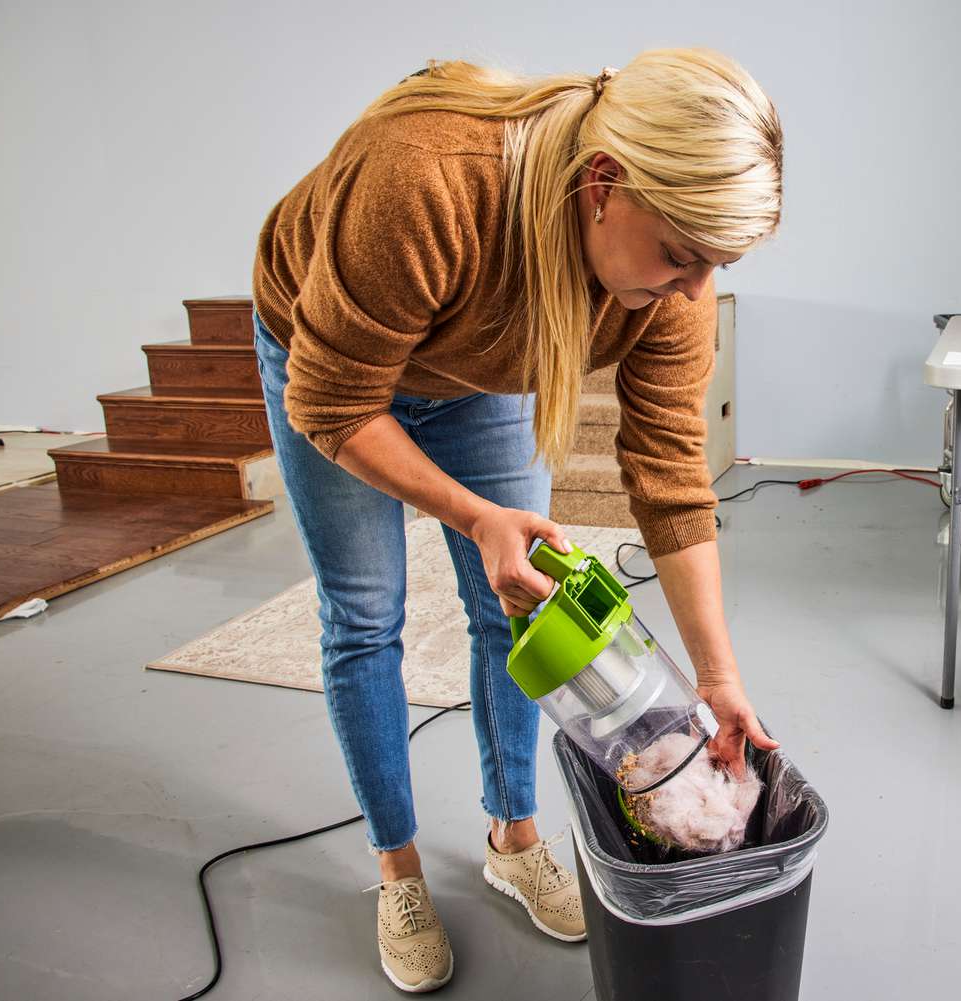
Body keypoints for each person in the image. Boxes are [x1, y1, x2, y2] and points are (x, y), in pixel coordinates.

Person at [250, 49, 783, 993]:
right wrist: (470, 513)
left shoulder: (671, 294)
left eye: (718, 265)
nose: (698, 290)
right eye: (680, 255)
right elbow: (334, 403)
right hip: (325, 357)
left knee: (519, 605)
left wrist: (719, 676)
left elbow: (668, 479)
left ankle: (514, 836)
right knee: (365, 614)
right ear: (602, 185)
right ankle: (399, 868)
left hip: (475, 367)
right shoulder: (427, 178)